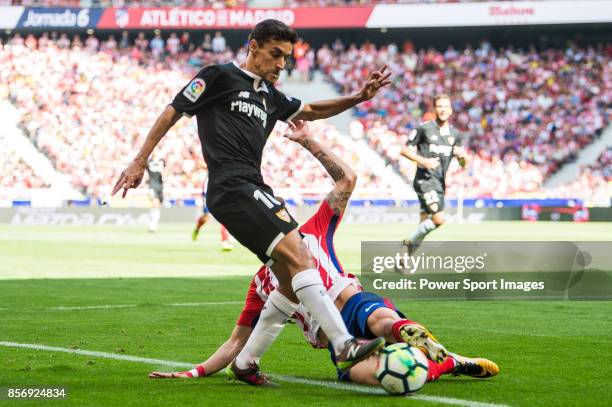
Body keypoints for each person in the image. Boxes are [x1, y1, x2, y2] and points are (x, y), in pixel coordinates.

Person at [111, 19, 391, 386]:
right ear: (253, 45)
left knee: (291, 279)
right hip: (231, 185)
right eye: (275, 54)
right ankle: (343, 343)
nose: (280, 64)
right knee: (303, 256)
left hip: (254, 186)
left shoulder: (270, 96)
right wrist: (139, 160)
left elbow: (312, 110)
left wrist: (357, 97)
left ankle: (246, 363)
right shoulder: (219, 76)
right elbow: (173, 110)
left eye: (286, 59)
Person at [149, 122, 498, 385]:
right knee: (369, 375)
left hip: (350, 301)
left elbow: (346, 179)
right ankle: (444, 361)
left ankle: (419, 345)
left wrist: (310, 142)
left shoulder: (313, 228)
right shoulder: (261, 283)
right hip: (332, 338)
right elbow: (235, 343)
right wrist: (192, 373)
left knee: (381, 323)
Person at [399, 94, 468, 256]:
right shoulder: (425, 129)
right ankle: (406, 247)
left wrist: (462, 157)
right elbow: (403, 149)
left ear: (451, 110)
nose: (443, 109)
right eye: (440, 106)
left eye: (446, 106)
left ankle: (406, 258)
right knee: (439, 219)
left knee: (423, 222)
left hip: (439, 183)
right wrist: (423, 161)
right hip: (425, 180)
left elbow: (463, 165)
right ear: (435, 109)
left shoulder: (455, 135)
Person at [146, 157, 165, 233]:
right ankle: (152, 225)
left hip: (160, 187)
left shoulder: (162, 161)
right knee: (155, 205)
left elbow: (164, 173)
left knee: (157, 206)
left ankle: (152, 223)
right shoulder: (149, 162)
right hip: (152, 186)